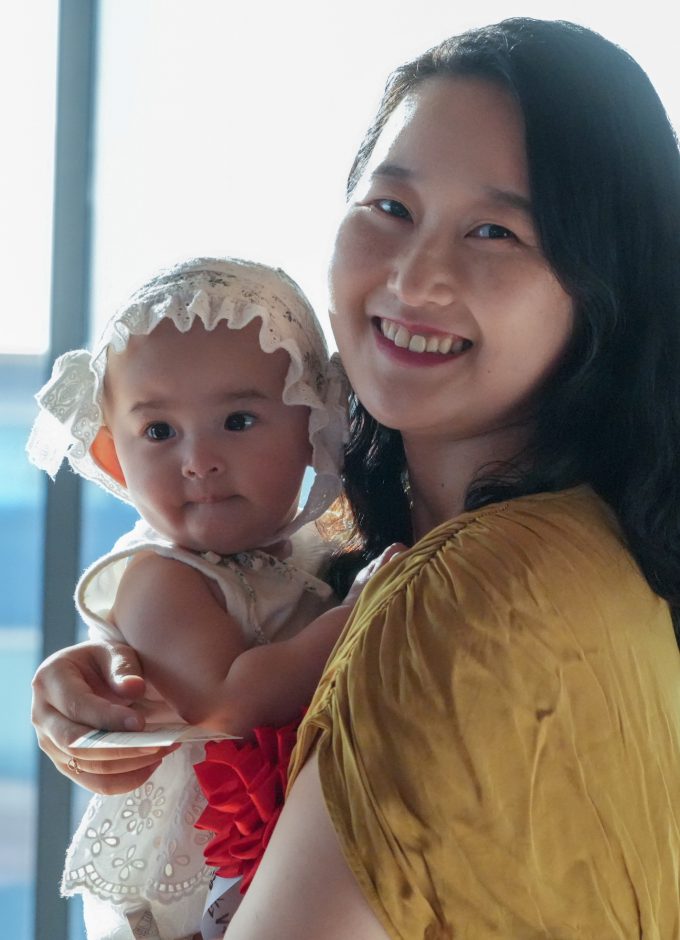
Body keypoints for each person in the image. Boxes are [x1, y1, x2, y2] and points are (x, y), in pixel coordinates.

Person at [32, 17, 680, 938]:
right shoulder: (574, 551)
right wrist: (135, 697)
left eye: (495, 230)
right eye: (390, 207)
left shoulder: (479, 585)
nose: (415, 278)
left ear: (604, 287)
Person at [27, 256, 353, 940]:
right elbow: (229, 703)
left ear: (312, 427)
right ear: (114, 458)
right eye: (159, 432)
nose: (199, 460)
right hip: (190, 891)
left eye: (238, 420)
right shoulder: (160, 576)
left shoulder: (307, 555)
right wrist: (363, 612)